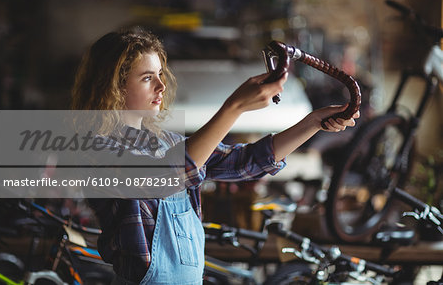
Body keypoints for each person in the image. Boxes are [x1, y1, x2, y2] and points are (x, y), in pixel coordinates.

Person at [71, 27, 359, 284]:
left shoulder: (166, 143)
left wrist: (312, 123)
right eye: (147, 78)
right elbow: (166, 176)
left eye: (160, 75)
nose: (161, 86)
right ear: (114, 86)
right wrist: (233, 107)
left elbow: (245, 162)